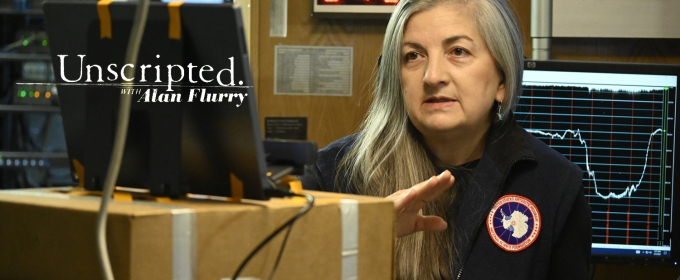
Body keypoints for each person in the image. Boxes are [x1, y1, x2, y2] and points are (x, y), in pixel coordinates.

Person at [299, 0, 592, 279]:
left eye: (458, 51)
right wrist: (366, 235)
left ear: (502, 80)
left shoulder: (555, 186)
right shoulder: (334, 174)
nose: (432, 76)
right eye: (413, 56)